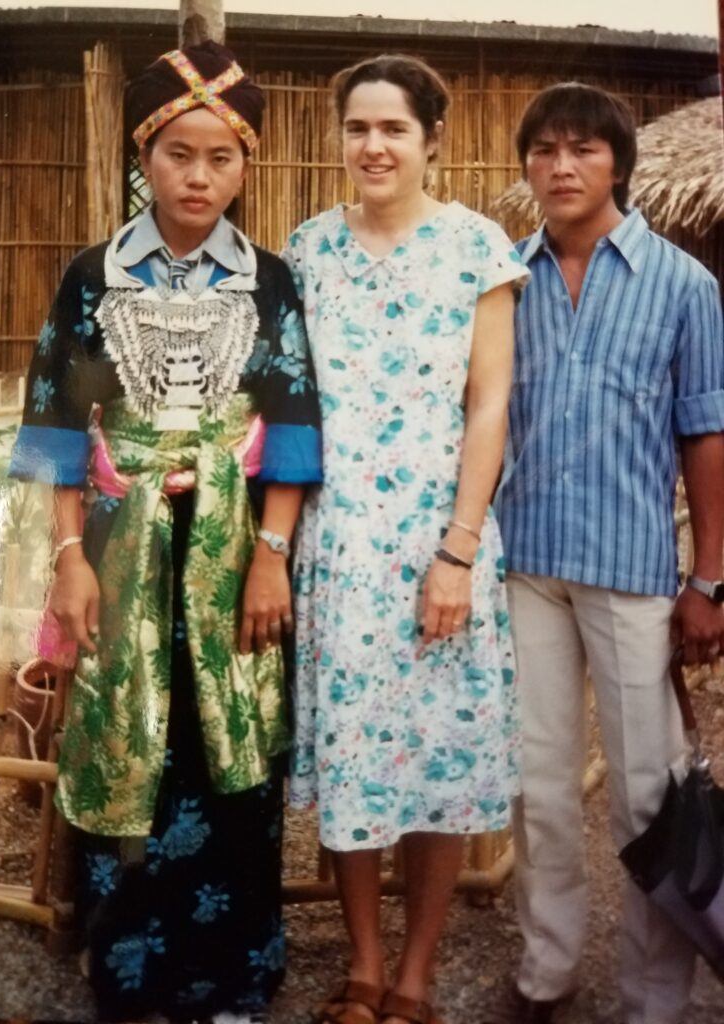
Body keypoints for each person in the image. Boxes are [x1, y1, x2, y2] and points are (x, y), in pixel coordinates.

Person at [9, 41, 322, 1024]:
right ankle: (132, 975)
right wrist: (68, 559)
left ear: (245, 164)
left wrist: (272, 557)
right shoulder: (90, 277)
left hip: (235, 552)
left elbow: (298, 422)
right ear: (144, 156)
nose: (199, 176)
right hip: (117, 543)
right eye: (179, 153)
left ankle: (232, 975)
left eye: (221, 156)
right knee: (127, 744)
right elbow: (58, 427)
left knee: (231, 748)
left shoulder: (269, 281)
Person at [282, 54, 529, 1024]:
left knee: (432, 762)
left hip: (441, 544)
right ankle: (365, 964)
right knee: (353, 763)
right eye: (358, 128)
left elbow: (490, 402)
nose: (374, 145)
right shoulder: (305, 251)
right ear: (337, 138)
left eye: (394, 128)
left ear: (434, 140)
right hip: (338, 553)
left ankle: (418, 974)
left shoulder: (478, 248)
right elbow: (289, 410)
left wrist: (459, 548)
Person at [484, 82, 724, 1024]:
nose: (561, 166)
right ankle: (546, 972)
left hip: (634, 577)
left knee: (644, 799)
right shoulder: (502, 278)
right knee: (539, 786)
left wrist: (709, 577)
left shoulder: (683, 286)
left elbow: (707, 434)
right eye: (543, 150)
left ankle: (652, 999)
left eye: (582, 149)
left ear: (618, 163)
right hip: (529, 569)